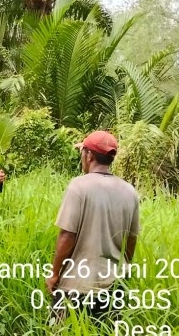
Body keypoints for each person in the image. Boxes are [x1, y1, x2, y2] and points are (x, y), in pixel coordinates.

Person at [45, 131, 140, 322]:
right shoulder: (130, 191)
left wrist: (55, 274)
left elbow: (67, 236)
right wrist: (125, 269)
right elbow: (131, 239)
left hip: (76, 284)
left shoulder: (78, 186)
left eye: (82, 152)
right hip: (114, 285)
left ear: (88, 156)